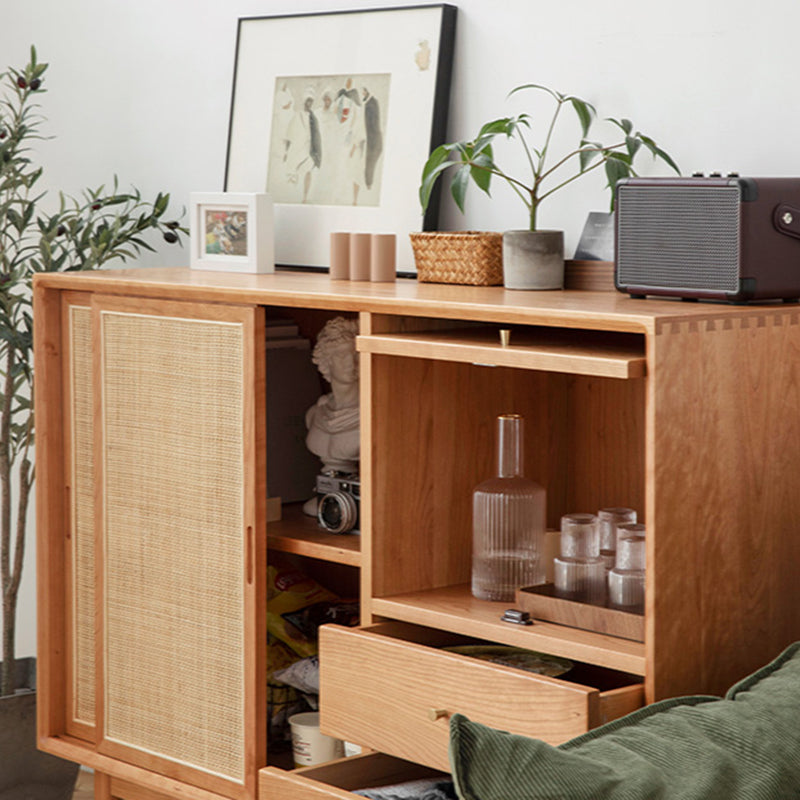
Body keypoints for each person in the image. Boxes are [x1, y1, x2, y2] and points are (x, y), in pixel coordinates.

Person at [302, 317, 360, 515]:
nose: (351, 363)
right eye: (342, 356)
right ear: (327, 359)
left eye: (356, 355)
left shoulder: (370, 416)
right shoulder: (316, 413)